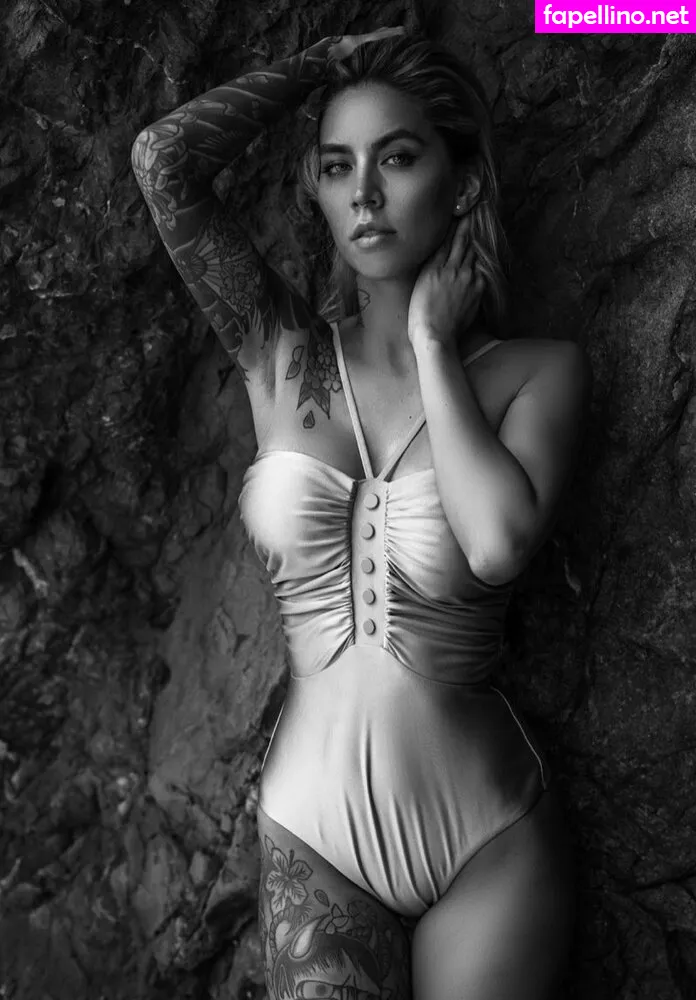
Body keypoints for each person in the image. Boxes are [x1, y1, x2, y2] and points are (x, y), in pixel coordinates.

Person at [131, 25, 591, 1000]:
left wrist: (432, 343)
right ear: (318, 188)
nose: (366, 194)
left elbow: (497, 544)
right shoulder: (280, 354)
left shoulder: (537, 374)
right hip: (314, 839)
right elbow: (163, 161)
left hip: (489, 845)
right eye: (339, 166)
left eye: (399, 157)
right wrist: (319, 63)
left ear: (461, 182)